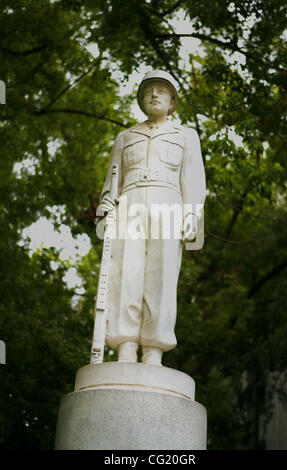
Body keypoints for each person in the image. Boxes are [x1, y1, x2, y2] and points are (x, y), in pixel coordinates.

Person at [97, 70, 206, 366]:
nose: (154, 95)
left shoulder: (185, 135)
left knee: (161, 276)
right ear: (142, 100)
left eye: (161, 91)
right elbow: (111, 184)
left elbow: (194, 181)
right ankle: (125, 347)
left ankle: (154, 351)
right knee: (125, 276)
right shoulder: (125, 137)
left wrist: (192, 214)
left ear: (172, 101)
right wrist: (106, 207)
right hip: (130, 204)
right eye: (149, 91)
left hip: (168, 204)